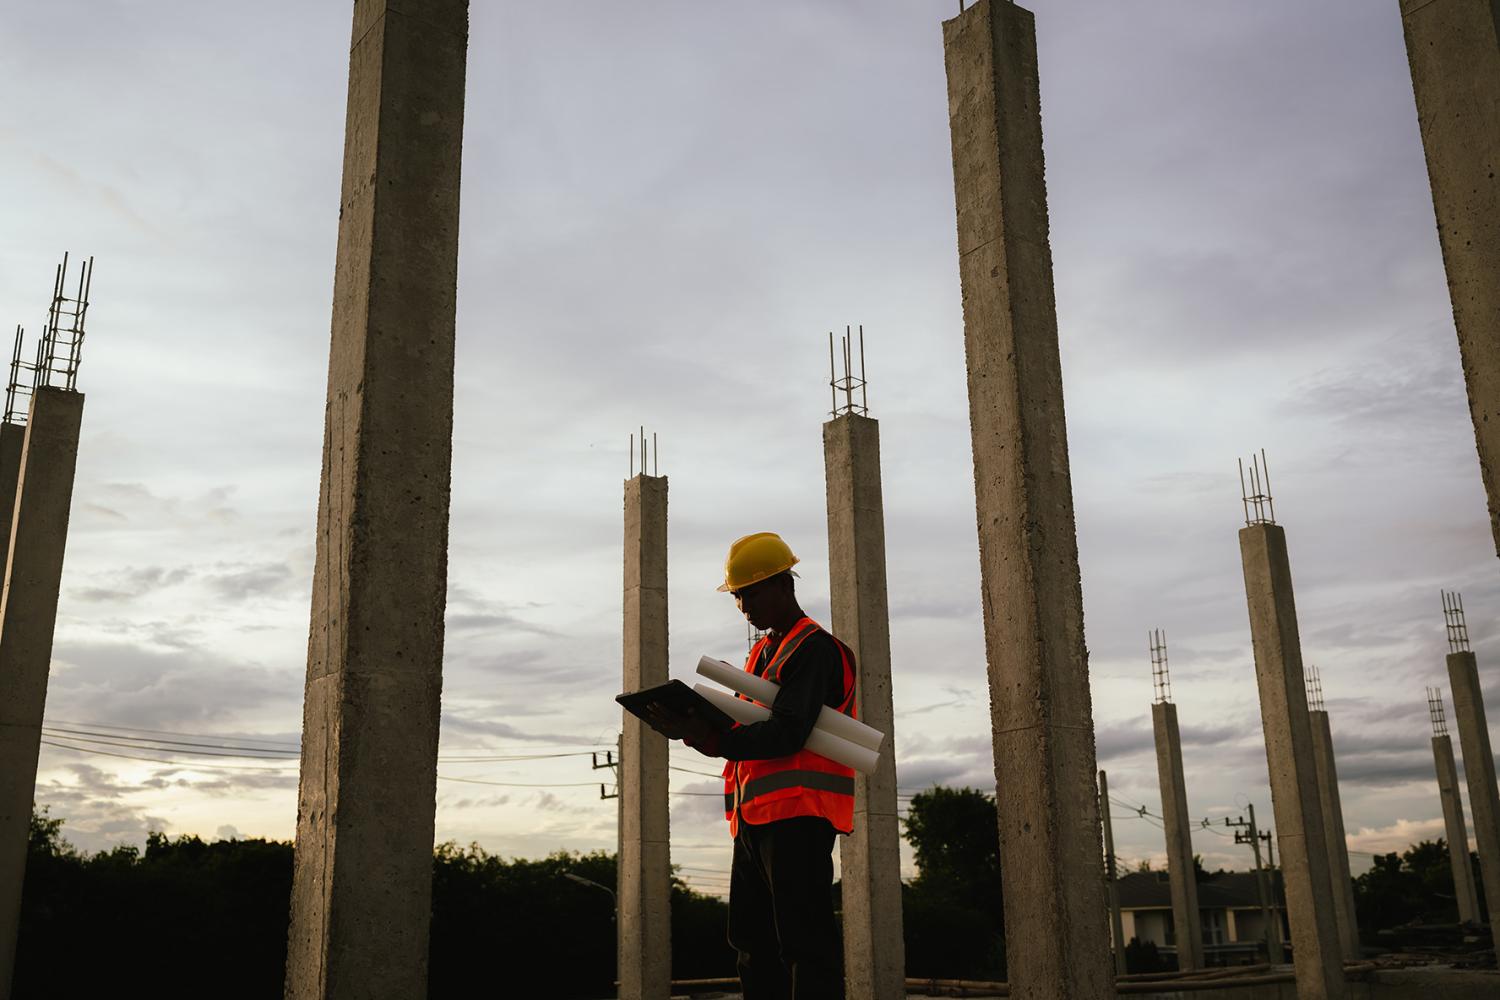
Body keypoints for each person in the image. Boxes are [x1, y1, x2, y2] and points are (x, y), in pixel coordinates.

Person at [646, 532, 856, 1000]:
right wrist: (696, 732)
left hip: (799, 816)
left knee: (805, 946)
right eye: (738, 595)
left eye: (752, 592)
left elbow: (787, 733)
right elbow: (741, 739)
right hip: (752, 819)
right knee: (752, 946)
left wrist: (717, 739)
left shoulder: (815, 649)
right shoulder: (761, 655)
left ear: (785, 585)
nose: (743, 606)